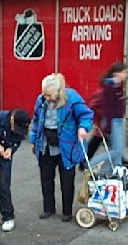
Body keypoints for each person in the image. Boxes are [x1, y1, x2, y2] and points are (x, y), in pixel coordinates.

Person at [29, 73, 93, 222]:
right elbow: (36, 121)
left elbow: (86, 115)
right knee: (46, 178)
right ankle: (48, 208)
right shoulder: (41, 100)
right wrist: (33, 142)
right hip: (45, 144)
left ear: (58, 91)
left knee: (66, 180)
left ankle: (67, 211)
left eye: (49, 95)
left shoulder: (72, 98)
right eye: (44, 94)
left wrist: (83, 128)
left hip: (66, 146)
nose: (45, 98)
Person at [78, 85, 128, 172]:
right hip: (103, 125)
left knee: (98, 144)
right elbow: (93, 106)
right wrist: (104, 114)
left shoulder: (107, 92)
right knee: (112, 147)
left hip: (105, 125)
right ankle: (124, 164)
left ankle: (84, 163)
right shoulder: (102, 93)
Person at [88, 62, 128, 175]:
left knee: (116, 150)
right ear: (117, 73)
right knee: (117, 150)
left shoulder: (117, 86)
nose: (126, 75)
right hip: (113, 122)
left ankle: (113, 173)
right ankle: (91, 164)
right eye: (124, 72)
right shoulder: (109, 86)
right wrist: (107, 126)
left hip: (117, 120)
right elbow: (108, 107)